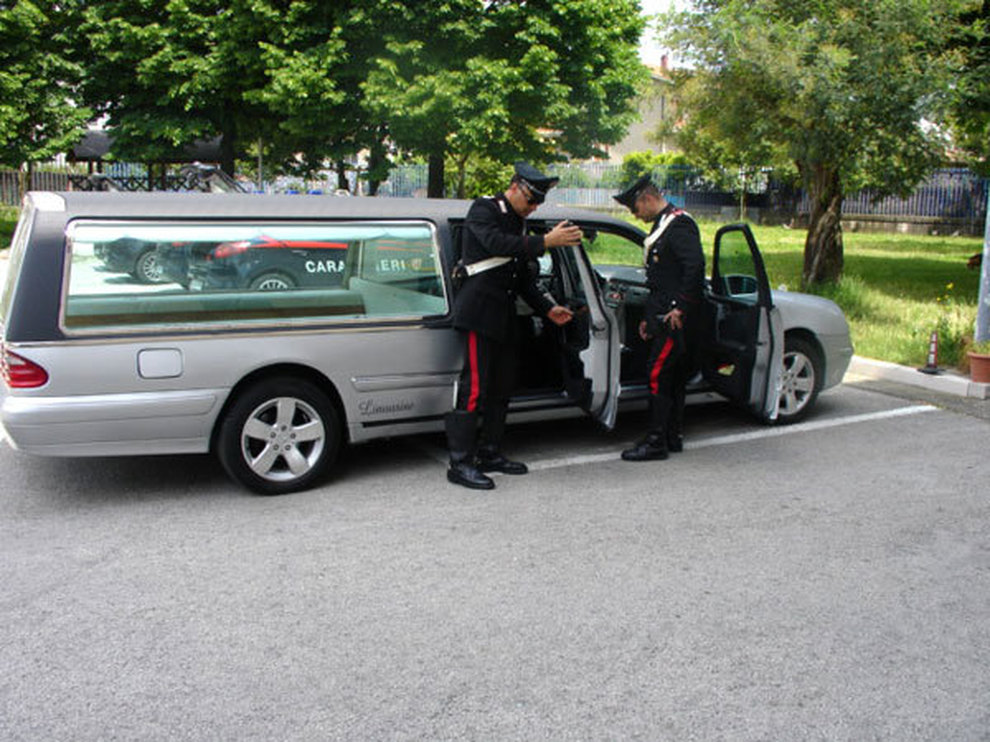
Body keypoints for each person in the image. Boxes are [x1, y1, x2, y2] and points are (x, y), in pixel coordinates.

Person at [446, 162, 584, 490]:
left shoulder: (519, 222)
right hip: (479, 314)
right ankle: (460, 462)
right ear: (515, 187)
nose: (534, 207)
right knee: (475, 387)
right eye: (532, 200)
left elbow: (522, 278)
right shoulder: (484, 209)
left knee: (502, 386)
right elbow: (496, 245)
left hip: (504, 316)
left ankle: (490, 452)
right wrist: (546, 241)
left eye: (539, 203)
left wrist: (548, 309)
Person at [613, 175, 705, 461]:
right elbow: (661, 280)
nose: (635, 216)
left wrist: (680, 308)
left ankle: (655, 442)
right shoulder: (662, 225)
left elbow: (695, 266)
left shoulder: (679, 224)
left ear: (647, 199)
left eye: (635, 209)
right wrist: (648, 318)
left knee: (657, 375)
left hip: (673, 320)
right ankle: (671, 435)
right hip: (662, 315)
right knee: (673, 379)